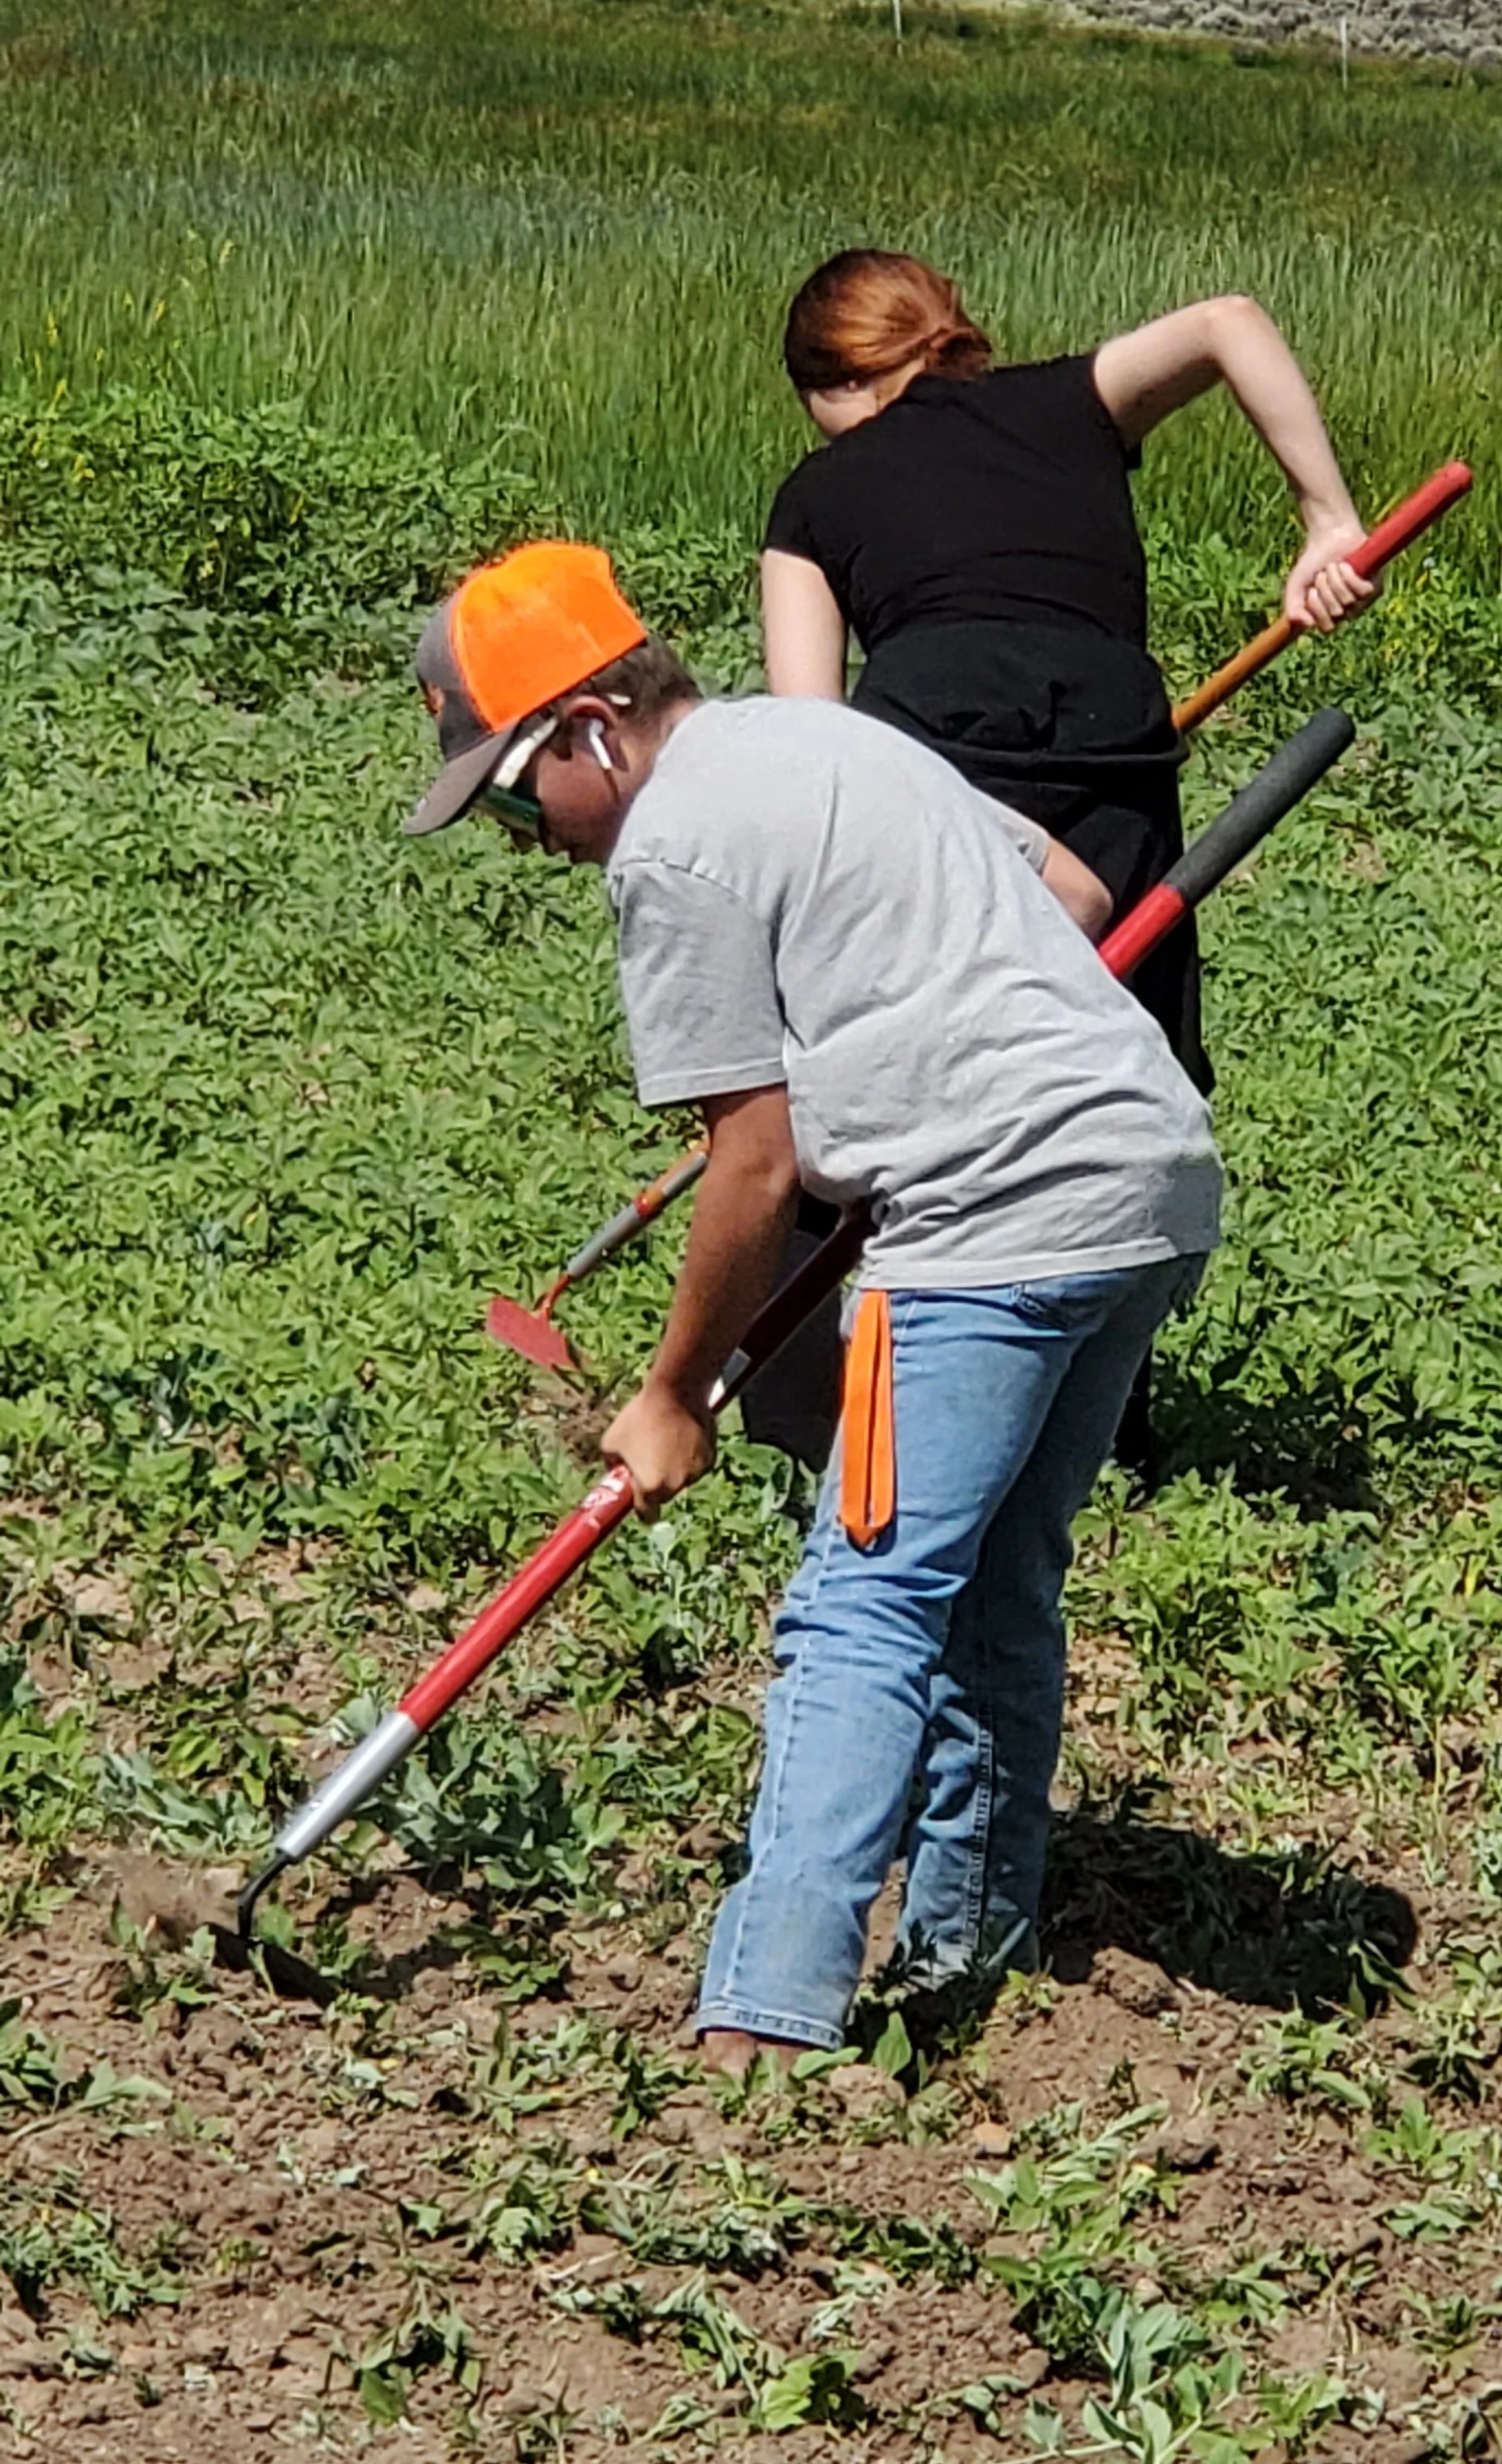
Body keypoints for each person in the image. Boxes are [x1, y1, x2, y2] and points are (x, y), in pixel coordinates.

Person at [405, 538, 1221, 2071]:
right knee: (991, 1589)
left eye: (515, 794)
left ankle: (770, 2013)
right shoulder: (838, 736)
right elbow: (1066, 885)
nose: (524, 838)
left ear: (590, 728)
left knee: (863, 1602)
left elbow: (755, 1164)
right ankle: (970, 1938)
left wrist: (670, 1395)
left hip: (995, 1219)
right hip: (1149, 1174)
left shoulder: (674, 846)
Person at [755, 250, 1376, 1472]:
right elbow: (1229, 319)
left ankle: (803, 1430)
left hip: (937, 759)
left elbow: (811, 744)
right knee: (1123, 1068)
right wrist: (1328, 521)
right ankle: (1098, 1432)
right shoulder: (1067, 400)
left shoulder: (816, 497)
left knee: (863, 1078)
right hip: (1112, 755)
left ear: (837, 385)